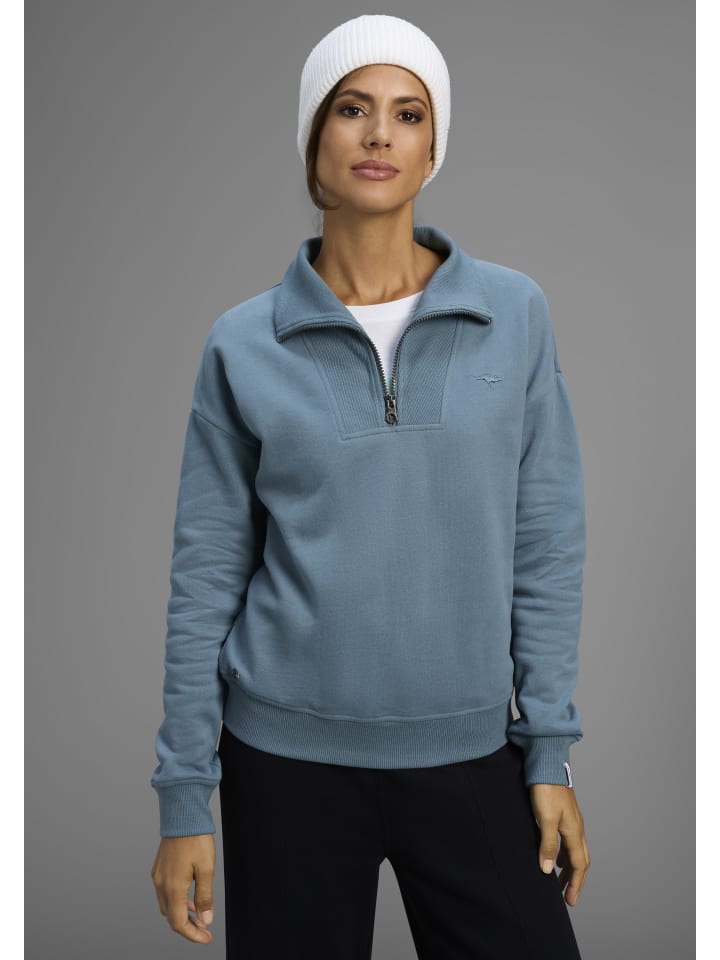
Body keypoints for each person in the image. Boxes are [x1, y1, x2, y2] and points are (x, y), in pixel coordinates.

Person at [150, 13, 590, 959]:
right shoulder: (243, 343)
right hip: (285, 764)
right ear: (315, 138)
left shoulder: (514, 314)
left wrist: (549, 752)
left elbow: (547, 541)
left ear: (435, 147)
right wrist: (184, 794)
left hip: (471, 754)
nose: (380, 133)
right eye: (352, 109)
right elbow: (206, 574)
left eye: (408, 113)